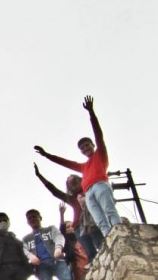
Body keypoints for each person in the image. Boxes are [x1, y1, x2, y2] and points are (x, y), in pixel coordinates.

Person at [34, 95, 121, 237]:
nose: (85, 148)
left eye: (87, 145)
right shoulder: (83, 167)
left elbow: (99, 135)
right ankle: (109, 238)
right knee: (99, 219)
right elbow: (65, 162)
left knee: (109, 210)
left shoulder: (100, 155)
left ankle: (119, 231)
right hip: (88, 193)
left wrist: (91, 113)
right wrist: (46, 155)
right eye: (82, 147)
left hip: (100, 185)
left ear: (92, 145)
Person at [34, 164, 104, 264]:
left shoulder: (90, 191)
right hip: (79, 227)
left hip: (93, 222)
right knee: (90, 253)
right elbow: (54, 191)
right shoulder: (71, 198)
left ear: (81, 181)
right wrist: (39, 176)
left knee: (101, 245)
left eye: (75, 181)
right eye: (70, 184)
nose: (73, 184)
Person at [21, 208, 73, 280]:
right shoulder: (26, 238)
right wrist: (30, 257)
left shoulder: (50, 229)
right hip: (40, 266)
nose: (32, 219)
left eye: (34, 217)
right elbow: (23, 249)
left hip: (58, 261)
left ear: (40, 218)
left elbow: (59, 236)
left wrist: (58, 248)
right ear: (27, 222)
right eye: (29, 218)